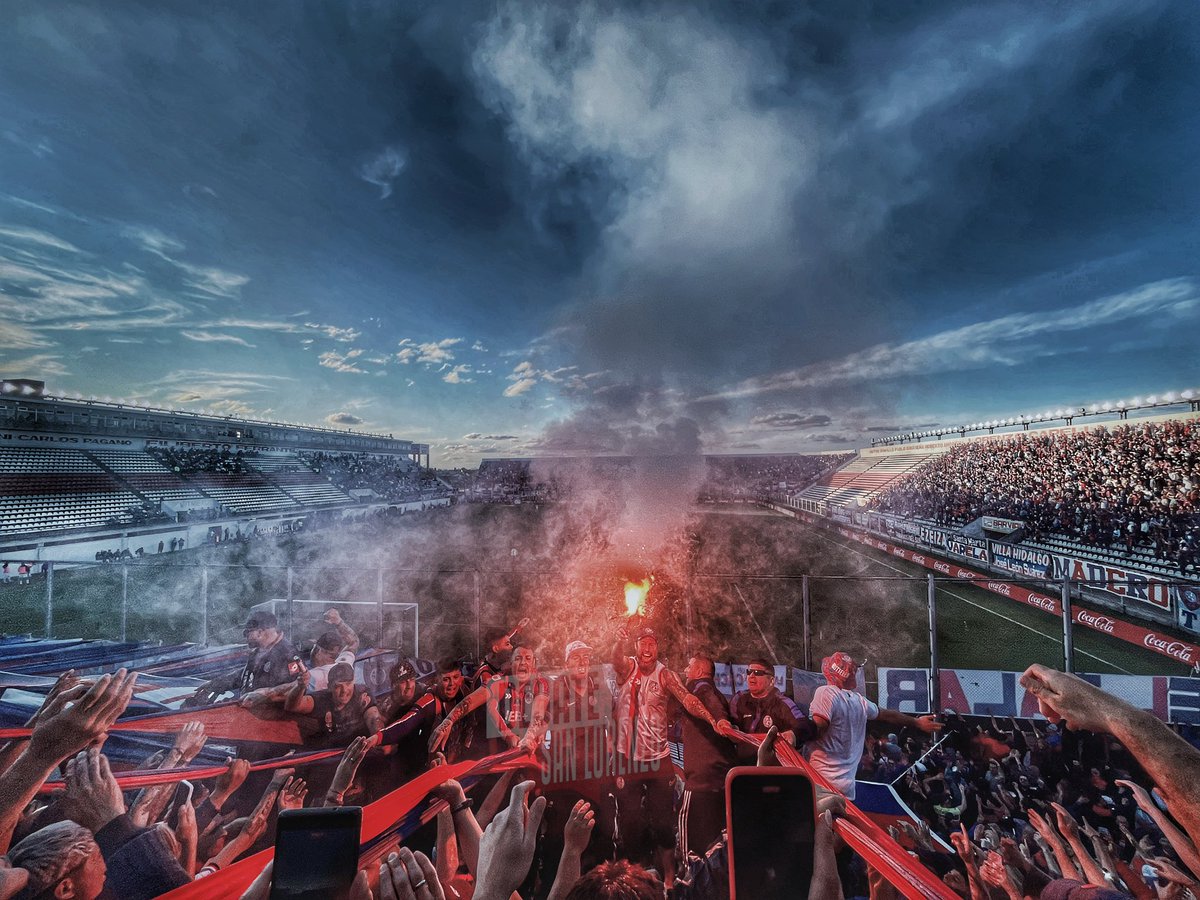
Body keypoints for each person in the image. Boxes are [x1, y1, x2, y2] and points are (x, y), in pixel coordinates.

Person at [610, 625, 731, 885]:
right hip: (627, 759)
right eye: (642, 642)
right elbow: (615, 659)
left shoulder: (666, 675)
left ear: (657, 648)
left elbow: (688, 700)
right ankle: (634, 876)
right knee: (630, 823)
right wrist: (618, 641)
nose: (647, 648)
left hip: (658, 758)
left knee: (664, 823)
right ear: (636, 647)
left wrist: (712, 720)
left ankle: (668, 877)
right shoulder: (627, 668)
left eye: (652, 643)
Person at [805, 652, 941, 800]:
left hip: (819, 783)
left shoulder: (825, 692)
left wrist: (795, 732)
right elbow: (888, 715)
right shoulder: (859, 701)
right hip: (846, 788)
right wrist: (916, 722)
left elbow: (819, 728)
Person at [430, 644, 550, 755]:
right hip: (494, 748)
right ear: (511, 662)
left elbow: (539, 713)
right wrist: (449, 721)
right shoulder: (499, 680)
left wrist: (530, 736)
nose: (523, 662)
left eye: (528, 658)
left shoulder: (540, 682)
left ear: (534, 663)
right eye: (518, 658)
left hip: (527, 747)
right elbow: (473, 702)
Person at [678, 654, 738, 861]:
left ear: (700, 671)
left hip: (700, 782)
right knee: (715, 842)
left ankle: (688, 884)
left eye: (689, 666)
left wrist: (721, 720)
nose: (686, 670)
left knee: (690, 845)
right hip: (720, 780)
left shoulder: (699, 687)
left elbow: (710, 702)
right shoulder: (718, 693)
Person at [189, 612, 303, 704]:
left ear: (260, 632)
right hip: (247, 711)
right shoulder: (258, 652)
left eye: (247, 633)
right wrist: (215, 684)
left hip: (268, 720)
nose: (245, 638)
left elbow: (296, 689)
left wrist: (266, 695)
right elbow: (244, 676)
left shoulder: (287, 654)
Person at [728, 656, 815, 765]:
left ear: (771, 680)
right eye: (749, 672)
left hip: (771, 767)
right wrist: (731, 728)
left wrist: (793, 734)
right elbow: (730, 722)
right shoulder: (739, 699)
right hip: (742, 766)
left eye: (757, 672)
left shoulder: (782, 702)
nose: (751, 676)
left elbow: (806, 725)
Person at [284, 662, 382, 749]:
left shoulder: (362, 694)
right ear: (329, 686)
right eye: (338, 686)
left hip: (360, 749)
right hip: (330, 753)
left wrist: (379, 740)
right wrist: (300, 687)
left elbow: (374, 719)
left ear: (354, 682)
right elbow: (293, 706)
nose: (344, 691)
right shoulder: (322, 698)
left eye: (348, 684)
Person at [473, 616, 532, 689]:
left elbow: (504, 639)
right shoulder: (486, 676)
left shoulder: (492, 663)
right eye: (507, 644)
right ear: (496, 649)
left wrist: (518, 627)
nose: (512, 647)